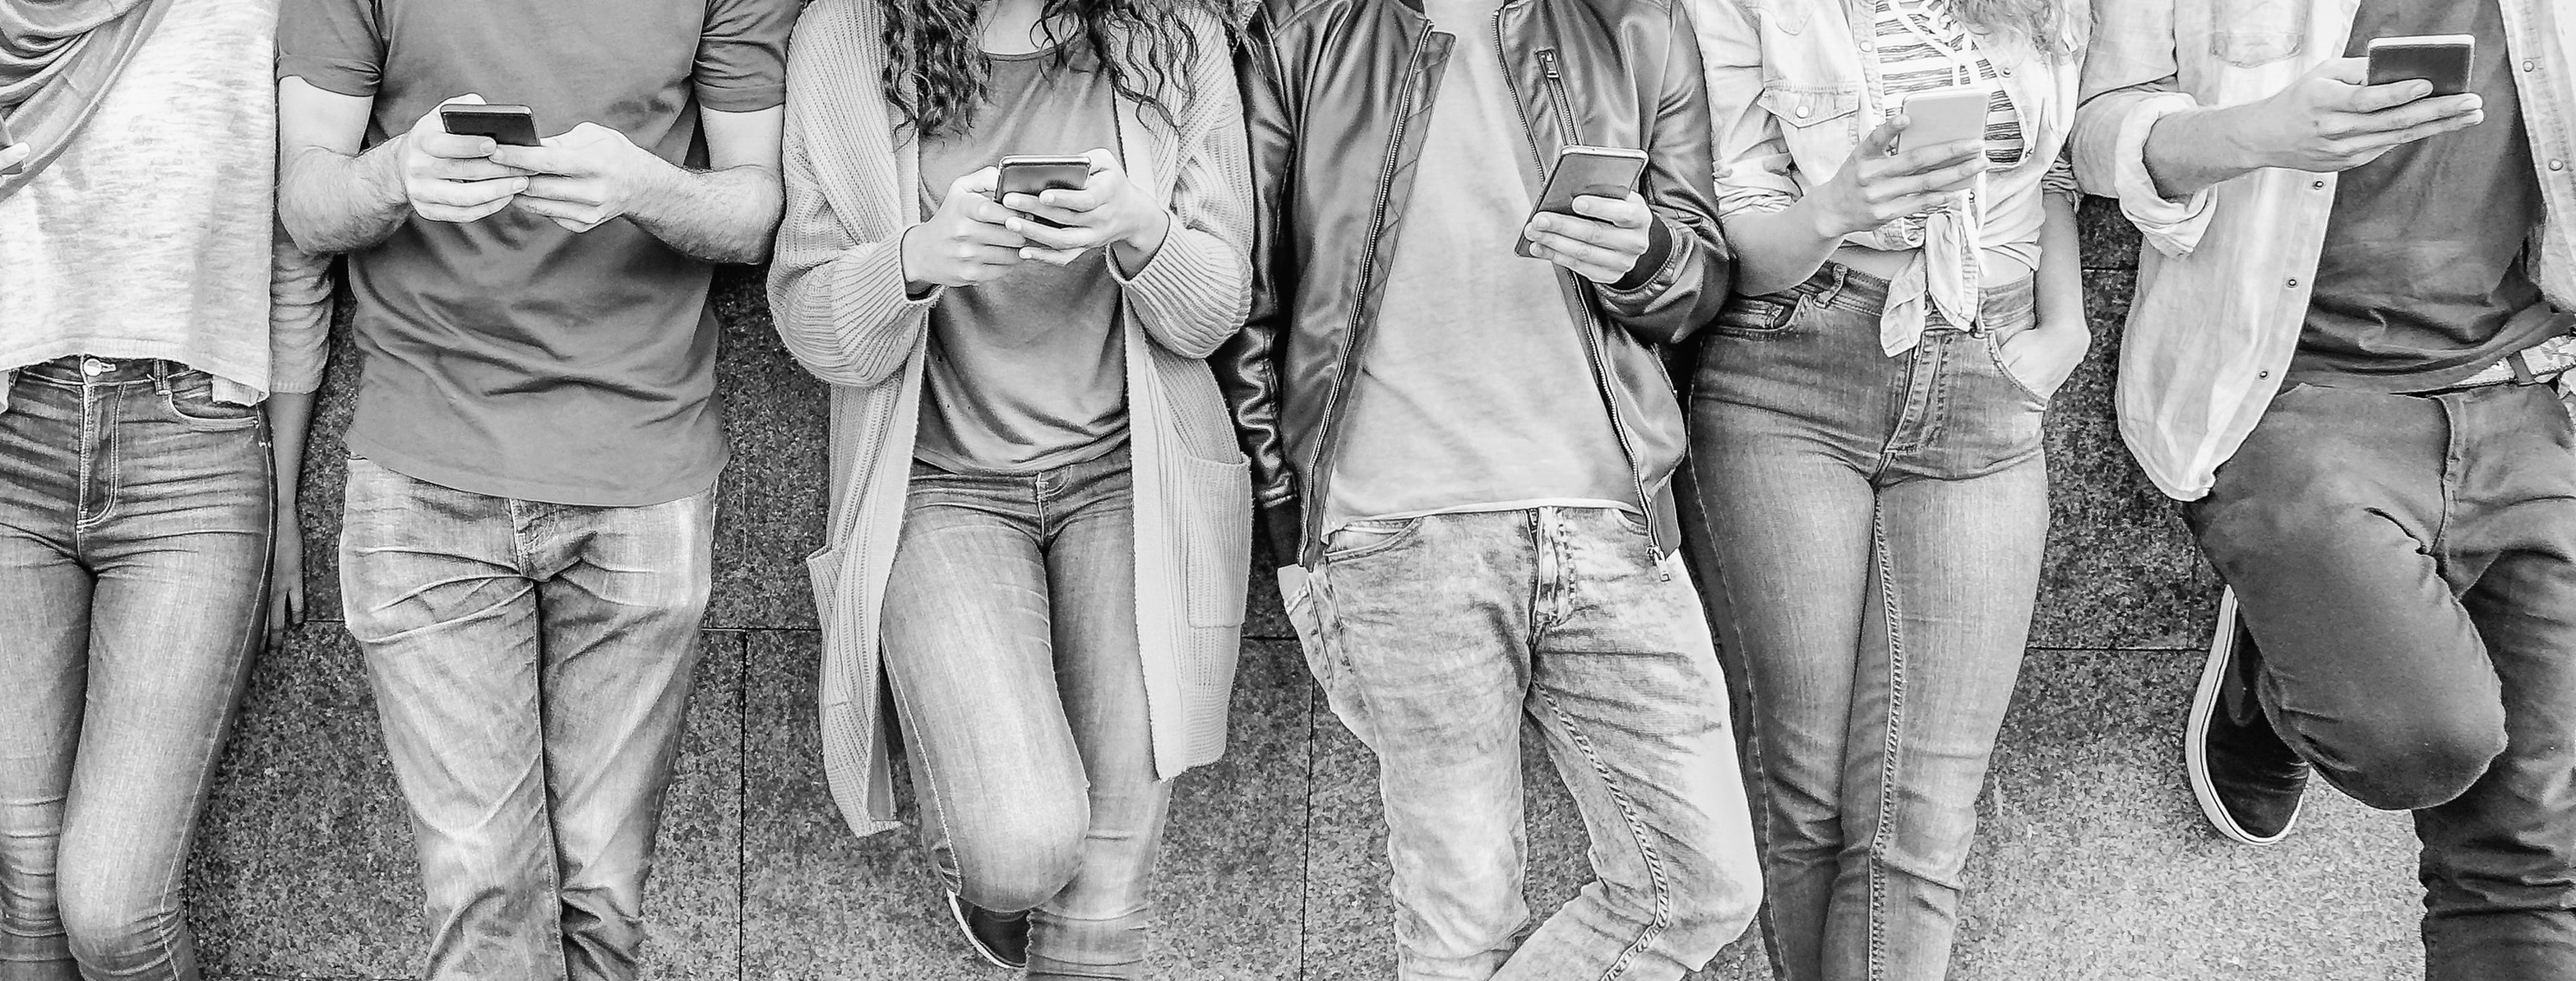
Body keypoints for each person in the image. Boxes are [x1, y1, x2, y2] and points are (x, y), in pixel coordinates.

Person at [1224, 0, 1756, 977]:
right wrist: (1287, 533)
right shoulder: (1301, 27)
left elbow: (1702, 279)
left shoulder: (1635, 20)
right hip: (1392, 528)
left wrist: (1645, 257)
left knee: (1703, 883)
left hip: (1612, 518)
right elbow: (1250, 299)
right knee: (1459, 926)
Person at [273, 0, 793, 974]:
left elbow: (757, 209)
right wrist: (395, 174)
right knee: (485, 897)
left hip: (644, 468)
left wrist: (644, 186)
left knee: (603, 896)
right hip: (425, 464)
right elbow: (304, 199)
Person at [2079, 0, 2576, 977]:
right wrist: (2263, 135)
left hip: (2526, 391)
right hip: (2289, 394)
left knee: (2534, 858)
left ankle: (2295, 637)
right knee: (2419, 740)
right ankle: (2288, 672)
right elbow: (2097, 130)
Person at [767, 0, 1251, 974]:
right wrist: (915, 261)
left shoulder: (1175, 33)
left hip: (1133, 481)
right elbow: (809, 317)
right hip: (940, 485)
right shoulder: (849, 35)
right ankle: (989, 880)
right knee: (1021, 844)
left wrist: (1140, 231)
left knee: (1107, 890)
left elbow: (1215, 309)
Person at [0, 0, 333, 976]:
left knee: (114, 909)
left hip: (191, 451)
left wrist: (283, 490)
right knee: (32, 897)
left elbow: (291, 258)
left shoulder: (243, 17)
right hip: (0, 452)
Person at [1680, 2, 2087, 979]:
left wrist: (2063, 327)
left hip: (1986, 368)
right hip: (1791, 369)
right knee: (1808, 786)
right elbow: (1739, 233)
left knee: (1925, 810)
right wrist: (1840, 204)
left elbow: (2058, 169)